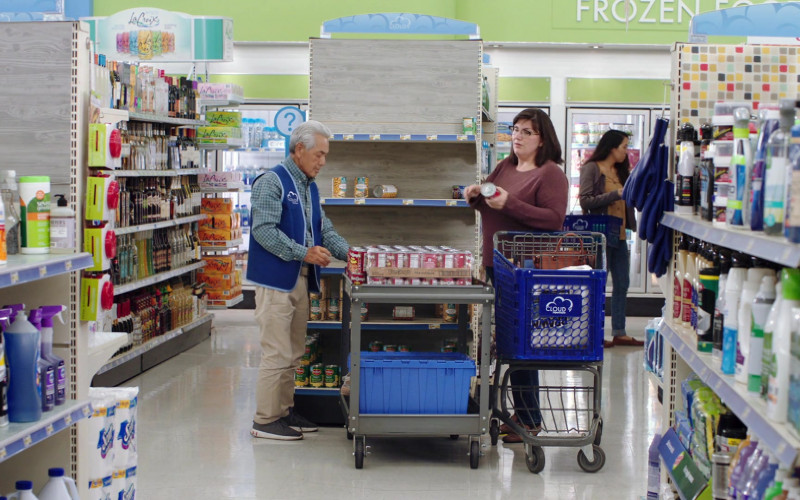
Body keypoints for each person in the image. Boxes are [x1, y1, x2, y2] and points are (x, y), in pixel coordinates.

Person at [464, 108, 569, 444]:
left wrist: (509, 203)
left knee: (521, 344)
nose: (518, 137)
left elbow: (554, 219)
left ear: (543, 139)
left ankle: (530, 419)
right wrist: (476, 198)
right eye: (516, 129)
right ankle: (519, 415)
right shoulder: (506, 166)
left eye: (527, 132)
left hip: (526, 270)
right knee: (508, 343)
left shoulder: (551, 174)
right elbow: (492, 204)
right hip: (498, 265)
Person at [247, 120, 350, 441]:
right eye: (319, 154)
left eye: (325, 156)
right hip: (276, 281)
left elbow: (325, 229)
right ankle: (265, 420)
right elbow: (263, 230)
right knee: (276, 353)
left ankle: (284, 411)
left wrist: (354, 255)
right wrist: (303, 252)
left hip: (301, 280)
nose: (322, 161)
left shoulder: (309, 186)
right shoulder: (271, 182)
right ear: (300, 149)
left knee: (293, 353)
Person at [578, 129, 642, 348]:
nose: (626, 151)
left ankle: (619, 332)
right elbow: (586, 201)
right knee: (599, 284)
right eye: (624, 146)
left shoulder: (621, 171)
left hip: (621, 235)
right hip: (599, 236)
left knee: (623, 282)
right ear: (612, 148)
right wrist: (616, 194)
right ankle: (594, 333)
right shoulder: (591, 169)